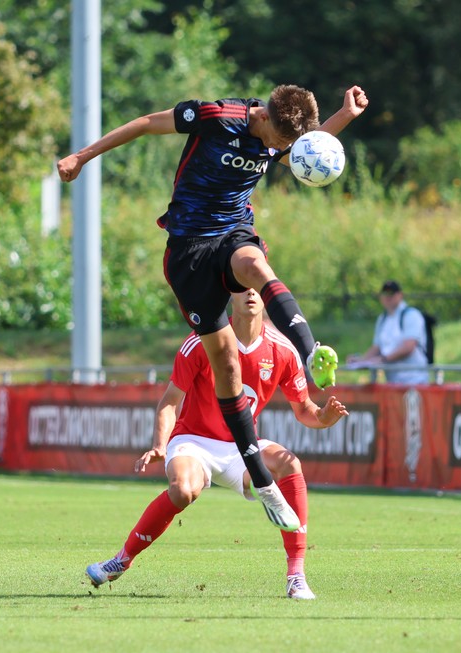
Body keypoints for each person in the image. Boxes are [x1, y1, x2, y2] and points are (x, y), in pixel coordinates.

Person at [58, 83, 368, 530]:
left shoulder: (279, 134)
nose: (285, 152)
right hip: (188, 250)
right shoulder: (216, 116)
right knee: (225, 366)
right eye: (281, 144)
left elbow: (307, 152)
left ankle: (308, 348)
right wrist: (82, 157)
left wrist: (345, 116)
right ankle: (261, 479)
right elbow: (147, 124)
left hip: (234, 232)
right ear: (263, 119)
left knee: (257, 266)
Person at [85, 288, 349, 600]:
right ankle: (121, 560)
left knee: (290, 463)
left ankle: (296, 576)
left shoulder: (283, 350)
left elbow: (305, 410)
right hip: (194, 441)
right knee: (183, 490)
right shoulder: (202, 341)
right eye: (242, 287)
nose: (250, 292)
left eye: (257, 287)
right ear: (229, 296)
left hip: (242, 447)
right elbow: (171, 402)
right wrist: (160, 444)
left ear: (266, 298)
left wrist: (324, 416)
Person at [347, 280, 429, 384]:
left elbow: (408, 347)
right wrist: (362, 361)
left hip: (415, 380)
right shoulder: (382, 319)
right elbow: (377, 347)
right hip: (392, 381)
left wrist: (382, 359)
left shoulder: (411, 315)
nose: (388, 297)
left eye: (392, 293)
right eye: (385, 293)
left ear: (400, 295)